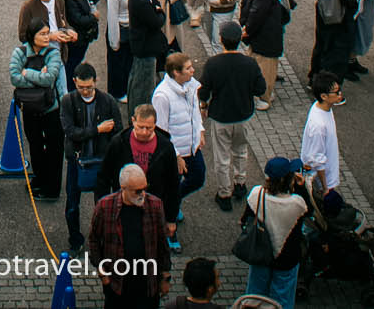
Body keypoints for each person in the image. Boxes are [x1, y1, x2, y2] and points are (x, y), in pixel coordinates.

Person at [198, 20, 265, 212]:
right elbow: (260, 88)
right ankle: (240, 183)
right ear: (239, 40)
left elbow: (203, 91)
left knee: (222, 156)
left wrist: (204, 105)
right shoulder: (250, 63)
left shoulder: (213, 64)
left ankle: (224, 193)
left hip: (221, 116)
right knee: (240, 151)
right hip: (243, 115)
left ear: (221, 40)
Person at [88, 163, 173, 309]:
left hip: (147, 283)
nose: (143, 194)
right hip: (117, 283)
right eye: (138, 191)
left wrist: (165, 277)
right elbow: (94, 239)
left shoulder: (155, 205)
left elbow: (162, 243)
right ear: (123, 188)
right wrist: (103, 273)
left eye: (145, 188)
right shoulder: (105, 206)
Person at [97, 103, 181, 250]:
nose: (144, 132)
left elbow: (173, 185)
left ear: (155, 125)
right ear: (133, 121)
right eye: (140, 127)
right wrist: (102, 211)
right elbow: (103, 178)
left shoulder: (166, 146)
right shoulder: (118, 143)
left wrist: (171, 219)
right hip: (124, 206)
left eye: (149, 128)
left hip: (152, 208)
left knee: (151, 247)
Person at [60, 62, 124, 252]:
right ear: (74, 82)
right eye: (81, 87)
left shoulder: (108, 101)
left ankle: (101, 238)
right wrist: (97, 130)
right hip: (77, 161)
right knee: (72, 204)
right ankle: (75, 239)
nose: (86, 91)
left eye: (89, 87)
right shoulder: (68, 101)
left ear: (96, 81)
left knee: (103, 204)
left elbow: (118, 132)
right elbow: (70, 132)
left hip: (101, 161)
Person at [242, 157, 310, 309]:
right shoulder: (296, 203)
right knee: (282, 298)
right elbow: (309, 210)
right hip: (287, 258)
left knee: (255, 295)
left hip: (260, 254)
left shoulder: (256, 195)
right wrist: (301, 187)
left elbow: (245, 219)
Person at [10, 20, 65, 198]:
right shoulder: (19, 52)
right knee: (35, 145)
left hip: (51, 109)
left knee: (54, 148)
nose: (47, 37)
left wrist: (28, 73)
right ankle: (39, 179)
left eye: (48, 33)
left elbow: (50, 78)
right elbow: (14, 78)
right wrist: (39, 76)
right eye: (42, 34)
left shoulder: (53, 53)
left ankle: (52, 189)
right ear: (31, 36)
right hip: (29, 109)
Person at [151, 52, 206, 212]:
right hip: (175, 152)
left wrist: (200, 130)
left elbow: (195, 111)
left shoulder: (190, 85)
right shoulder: (162, 96)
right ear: (176, 72)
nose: (193, 71)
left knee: (198, 178)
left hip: (192, 146)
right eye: (188, 68)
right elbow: (161, 131)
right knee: (172, 185)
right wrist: (176, 156)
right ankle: (168, 212)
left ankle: (171, 201)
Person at [241, 0, 287, 109]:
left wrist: (247, 28)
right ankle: (264, 98)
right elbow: (257, 13)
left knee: (257, 64)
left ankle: (259, 94)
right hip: (267, 36)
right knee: (267, 69)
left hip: (259, 36)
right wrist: (248, 28)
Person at [128, 0, 169, 110]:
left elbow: (156, 4)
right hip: (145, 46)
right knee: (144, 86)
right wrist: (160, 12)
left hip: (145, 44)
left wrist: (157, 9)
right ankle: (140, 113)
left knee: (140, 81)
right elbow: (156, 21)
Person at [300, 71, 344, 199]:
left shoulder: (321, 107)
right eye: (336, 92)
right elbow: (317, 159)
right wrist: (325, 187)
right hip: (323, 180)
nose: (340, 94)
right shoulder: (318, 125)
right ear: (324, 96)